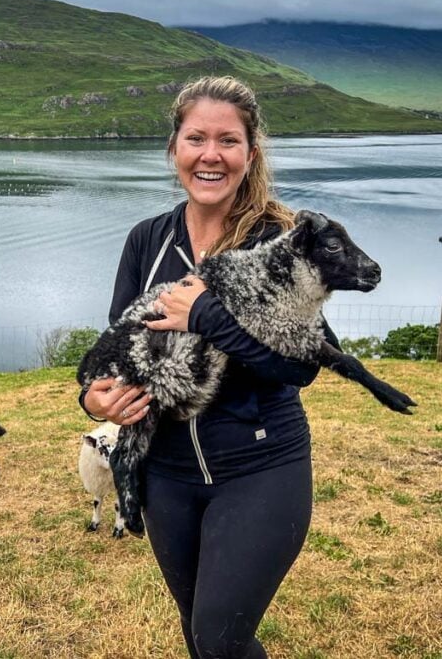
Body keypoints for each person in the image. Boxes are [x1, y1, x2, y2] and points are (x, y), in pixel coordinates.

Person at [79, 76, 339, 659]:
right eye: (196, 138)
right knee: (199, 634)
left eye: (228, 141)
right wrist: (94, 401)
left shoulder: (280, 242)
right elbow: (116, 352)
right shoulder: (147, 240)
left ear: (250, 153)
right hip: (166, 475)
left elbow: (304, 365)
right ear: (174, 149)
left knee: (221, 638)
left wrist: (206, 316)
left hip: (260, 466)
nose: (211, 155)